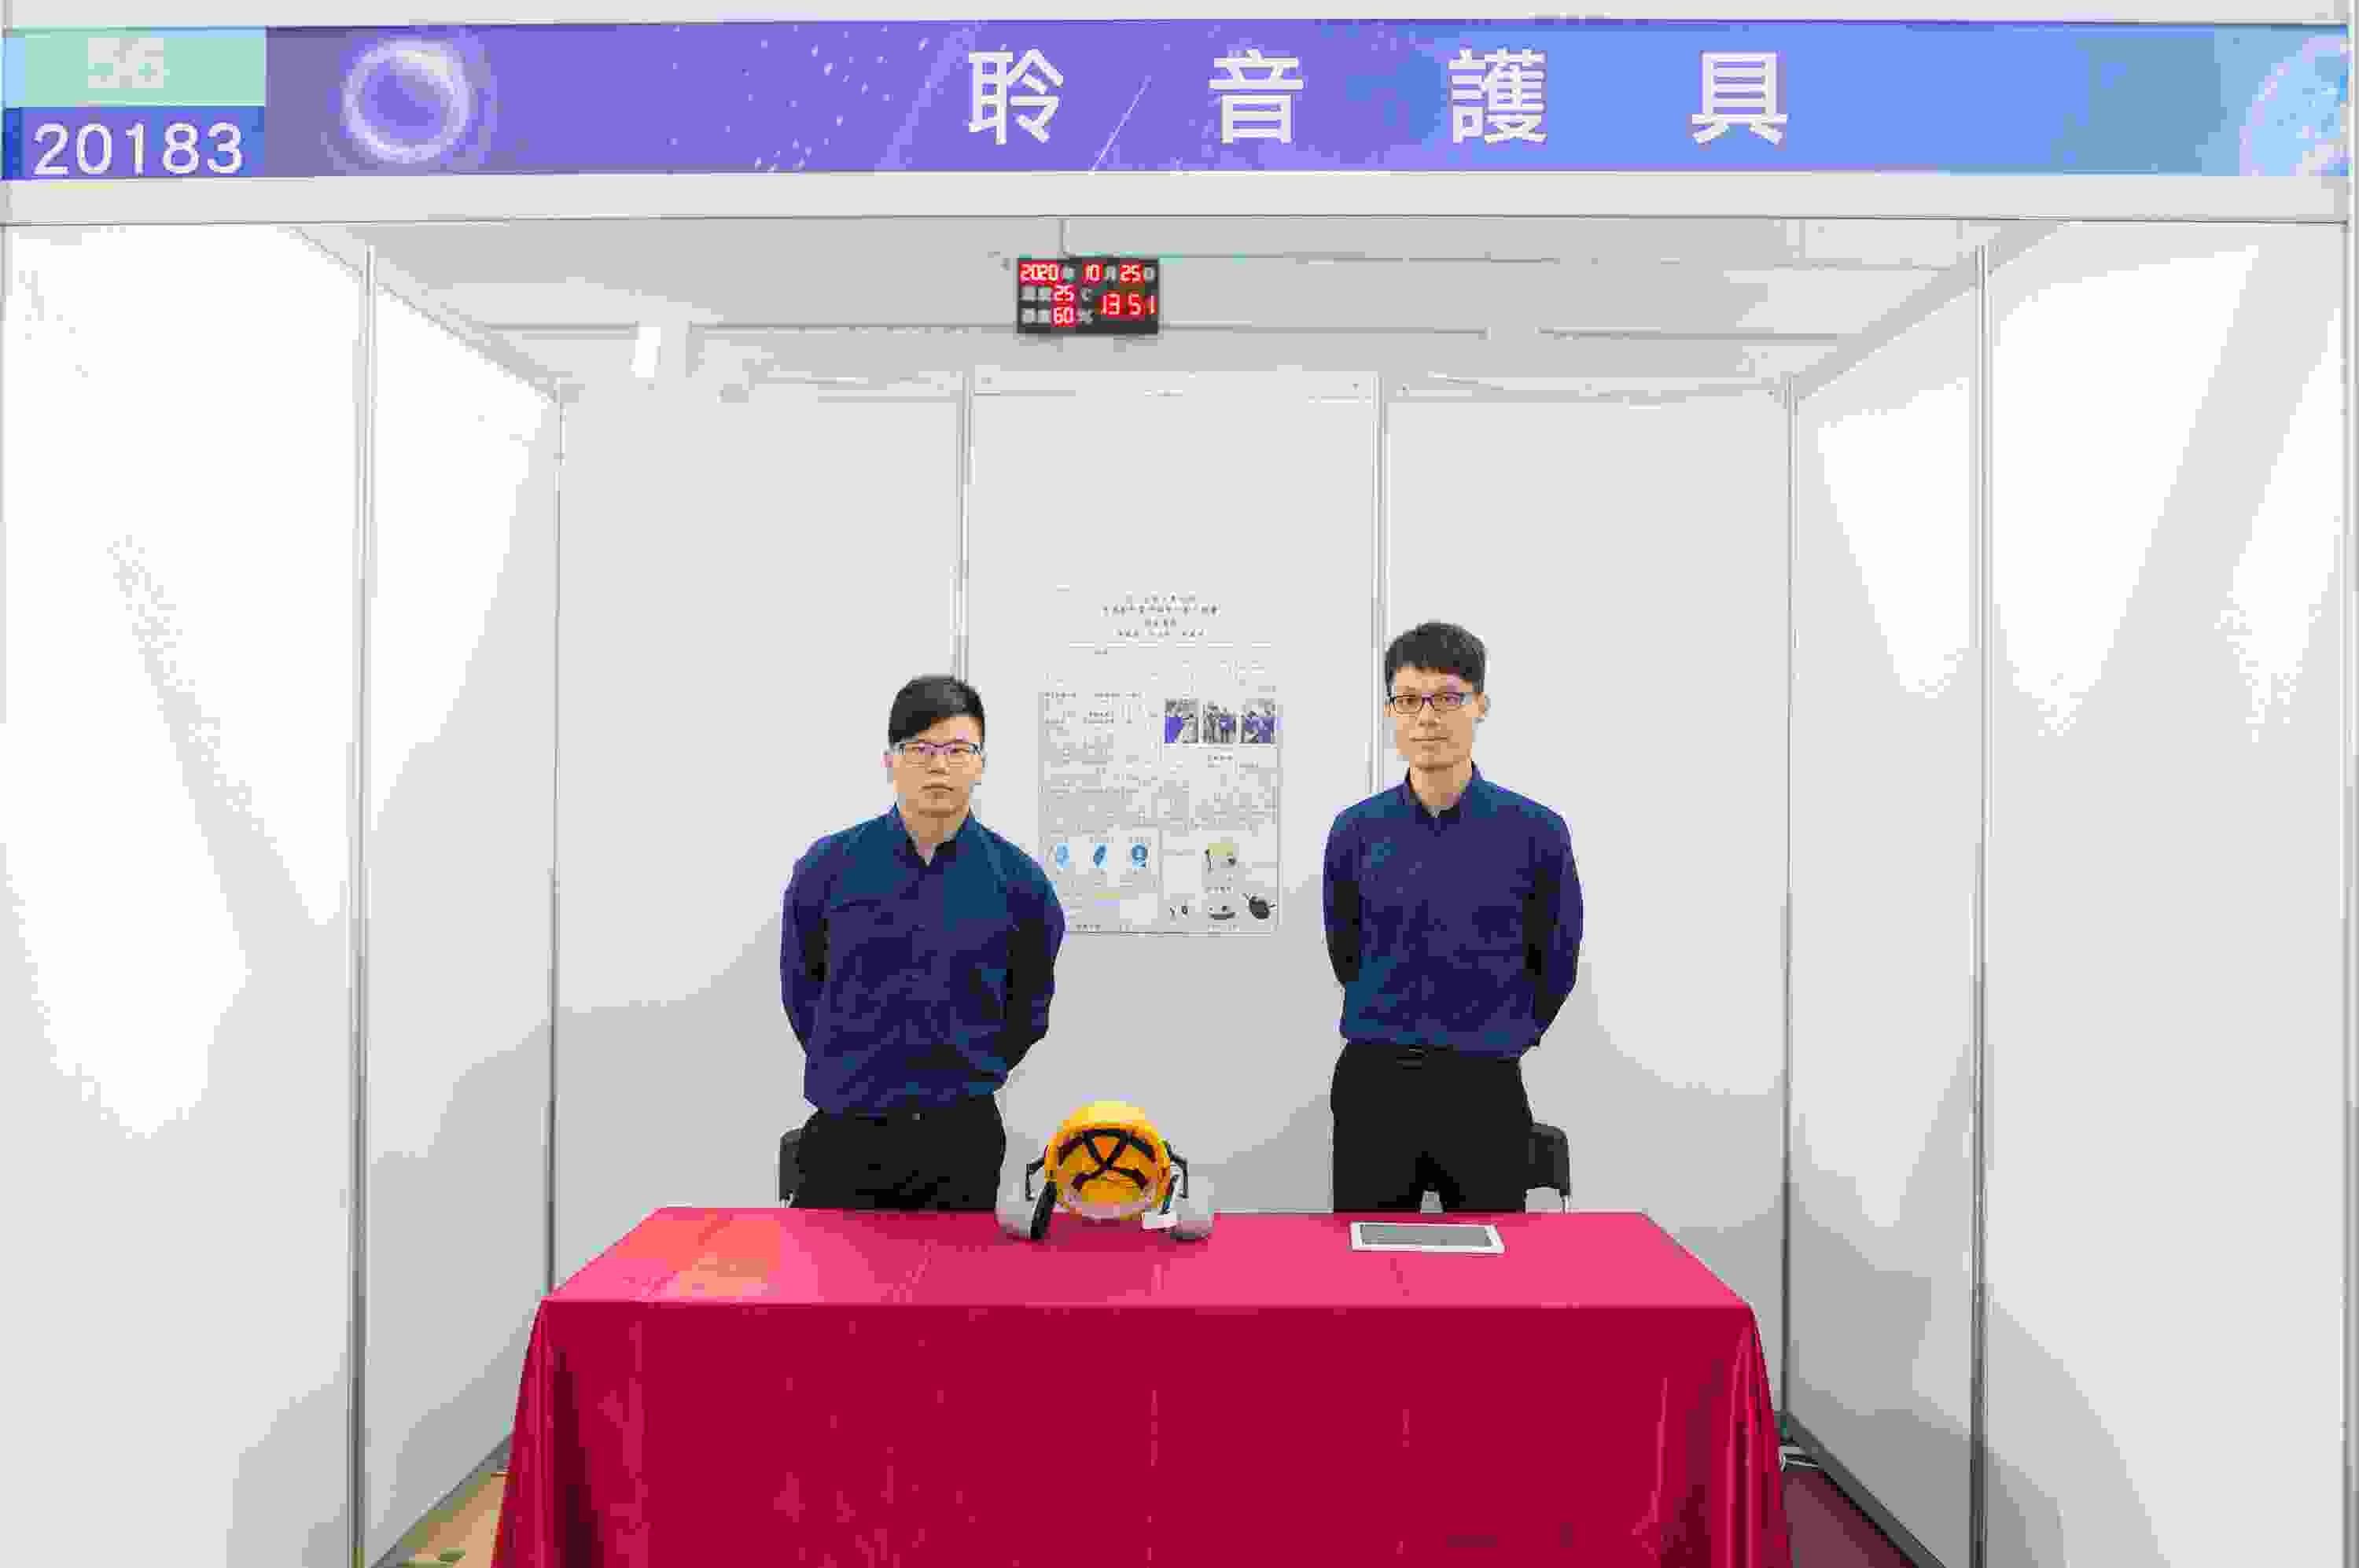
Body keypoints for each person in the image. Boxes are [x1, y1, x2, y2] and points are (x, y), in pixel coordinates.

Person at [1323, 622, 1584, 1213]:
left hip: (1483, 1085)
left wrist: (1505, 1033)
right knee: (1369, 1256)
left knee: (1492, 1262)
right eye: (1409, 700)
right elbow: (1346, 952)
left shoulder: (1536, 832)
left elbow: (1557, 959)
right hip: (1376, 1084)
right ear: (1391, 710)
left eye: (1447, 698)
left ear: (1480, 705)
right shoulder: (1356, 831)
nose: (1427, 718)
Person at [781, 675, 1066, 1210]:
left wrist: (966, 1066)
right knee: (827, 1266)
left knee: (954, 1267)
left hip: (960, 1140)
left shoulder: (1019, 883)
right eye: (920, 749)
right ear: (889, 761)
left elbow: (1028, 1010)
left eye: (958, 750)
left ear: (981, 764)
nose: (939, 766)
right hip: (846, 1132)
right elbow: (803, 994)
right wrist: (855, 1064)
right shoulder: (827, 868)